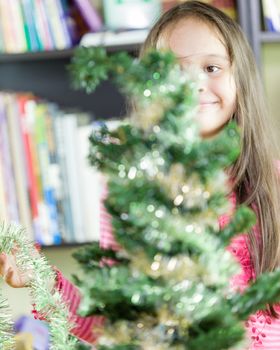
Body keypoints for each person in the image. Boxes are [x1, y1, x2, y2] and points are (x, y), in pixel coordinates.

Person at [1, 1, 280, 348]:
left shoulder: (273, 184)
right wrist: (41, 280)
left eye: (212, 67)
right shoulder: (130, 193)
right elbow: (112, 322)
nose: (194, 84)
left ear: (241, 79)